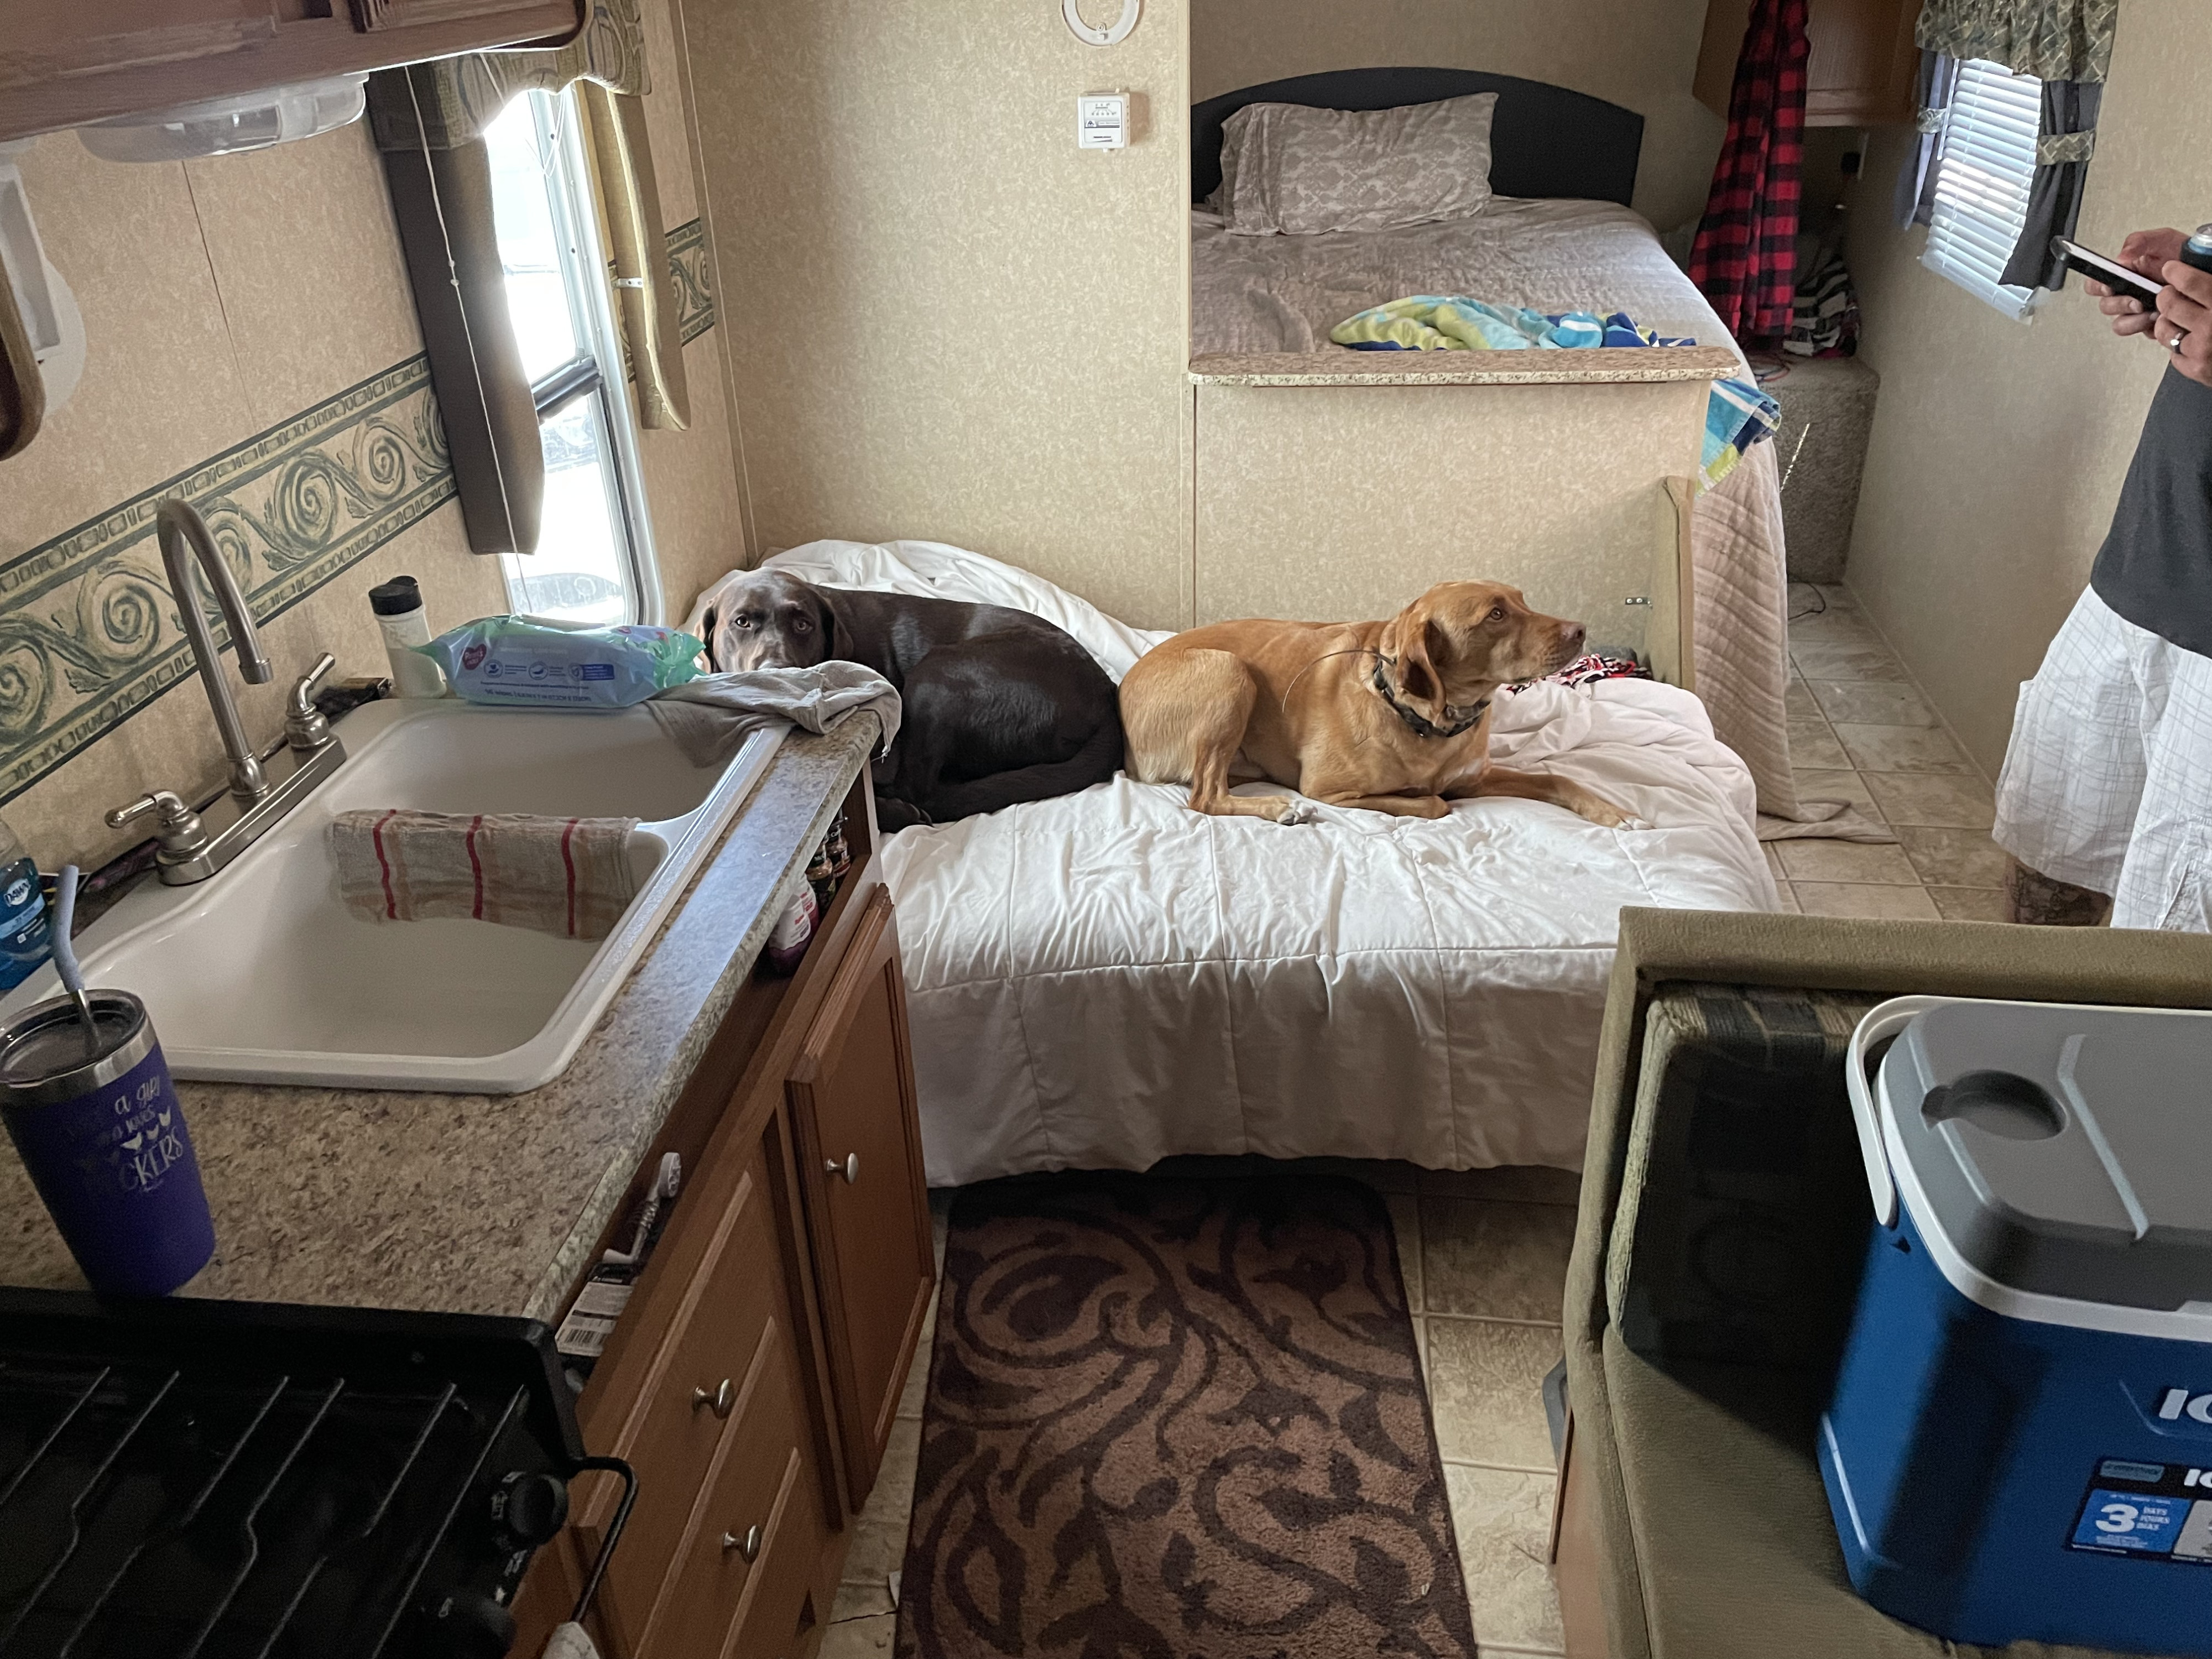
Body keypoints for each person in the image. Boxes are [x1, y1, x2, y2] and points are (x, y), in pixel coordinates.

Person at [1992, 227, 2212, 930]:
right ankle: (2019, 1035)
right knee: (2048, 853)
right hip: (2137, 568)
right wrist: (2183, 288)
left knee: (2168, 956)